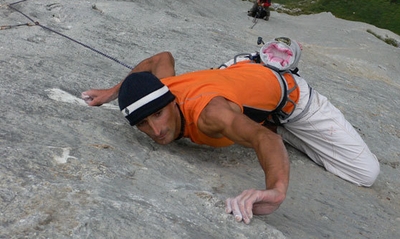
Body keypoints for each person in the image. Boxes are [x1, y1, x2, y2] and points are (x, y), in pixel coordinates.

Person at [81, 37, 380, 224]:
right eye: (143, 123)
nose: (156, 130)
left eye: (158, 114)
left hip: (290, 98)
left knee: (365, 173)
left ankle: (281, 121)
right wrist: (112, 93)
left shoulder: (210, 115)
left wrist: (276, 190)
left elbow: (266, 140)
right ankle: (257, 94)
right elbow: (161, 59)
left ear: (171, 102)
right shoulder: (162, 88)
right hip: (235, 73)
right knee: (249, 114)